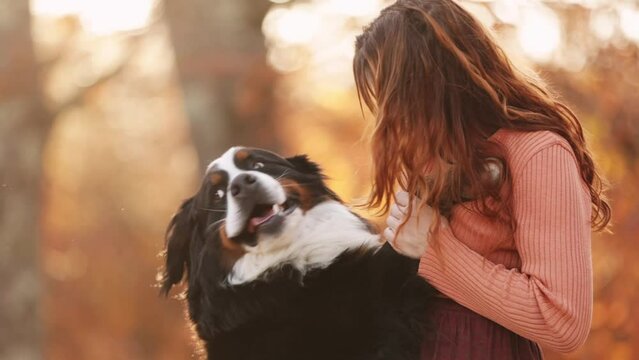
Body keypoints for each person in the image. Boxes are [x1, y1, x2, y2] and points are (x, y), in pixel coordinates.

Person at [352, 0, 611, 359]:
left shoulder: (538, 152)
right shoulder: (432, 155)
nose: (391, 118)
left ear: (432, 82)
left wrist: (433, 246)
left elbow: (562, 322)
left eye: (395, 98)